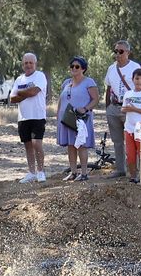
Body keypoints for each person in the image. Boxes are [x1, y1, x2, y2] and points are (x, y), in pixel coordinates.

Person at [103, 40, 141, 179]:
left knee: (133, 139)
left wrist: (138, 108)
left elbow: (140, 87)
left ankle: (136, 171)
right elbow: (108, 88)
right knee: (117, 141)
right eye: (116, 51)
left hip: (130, 108)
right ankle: (120, 169)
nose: (117, 54)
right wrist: (107, 107)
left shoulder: (135, 67)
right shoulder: (111, 69)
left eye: (121, 51)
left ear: (128, 52)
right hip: (114, 107)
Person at [57, 57, 100, 181]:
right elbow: (61, 100)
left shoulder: (89, 82)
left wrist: (85, 108)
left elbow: (95, 99)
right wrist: (58, 116)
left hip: (81, 119)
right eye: (72, 66)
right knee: (70, 145)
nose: (74, 69)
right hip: (66, 118)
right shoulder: (66, 83)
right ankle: (73, 172)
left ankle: (84, 173)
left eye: (77, 66)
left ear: (83, 69)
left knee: (81, 145)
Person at [10, 53, 49, 184]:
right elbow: (12, 98)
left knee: (36, 143)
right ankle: (31, 172)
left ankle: (41, 171)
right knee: (28, 146)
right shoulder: (19, 79)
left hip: (37, 116)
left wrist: (21, 93)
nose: (28, 65)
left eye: (30, 63)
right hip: (23, 117)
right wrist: (26, 92)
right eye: (26, 63)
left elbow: (34, 92)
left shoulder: (40, 76)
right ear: (23, 65)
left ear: (35, 64)